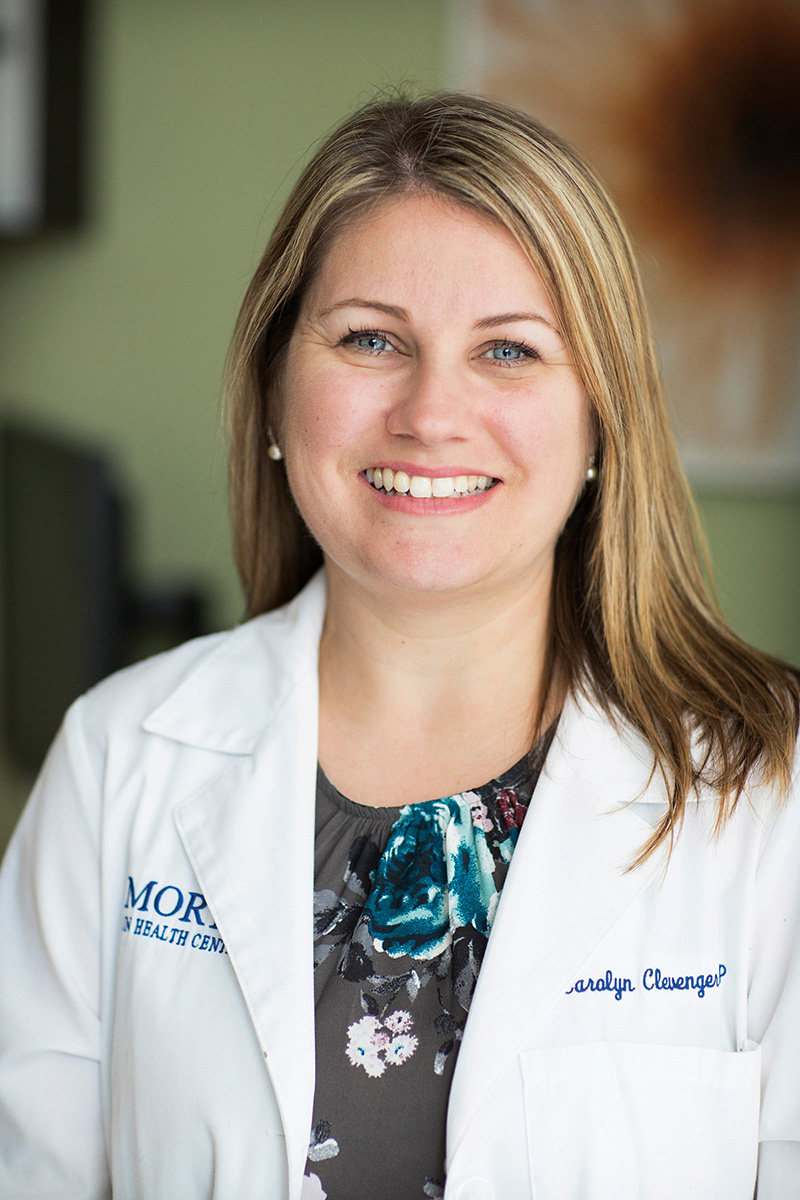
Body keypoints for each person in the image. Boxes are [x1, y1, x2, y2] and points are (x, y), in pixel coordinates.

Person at [0, 92, 798, 1200]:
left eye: (508, 352)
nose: (431, 413)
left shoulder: (765, 800)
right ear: (278, 386)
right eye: (371, 339)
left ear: (599, 422)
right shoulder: (117, 760)